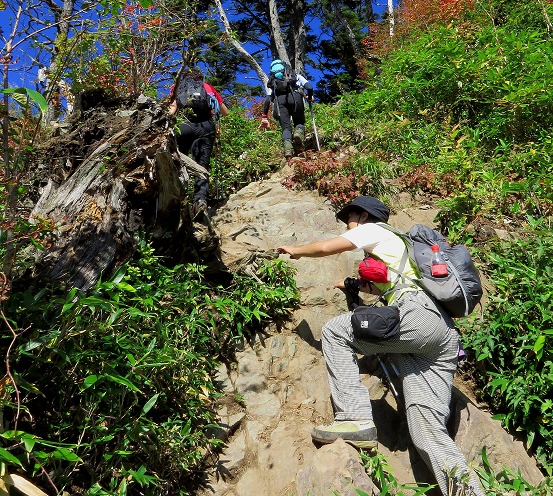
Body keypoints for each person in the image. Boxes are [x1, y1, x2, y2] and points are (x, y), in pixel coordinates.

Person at [277, 196, 485, 496]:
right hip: (440, 334)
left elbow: (325, 248)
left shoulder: (373, 230)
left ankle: (354, 418)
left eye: (349, 218)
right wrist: (350, 285)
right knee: (426, 431)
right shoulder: (400, 246)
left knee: (335, 331)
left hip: (417, 315)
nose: (347, 225)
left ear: (362, 216)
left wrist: (296, 251)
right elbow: (384, 284)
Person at [168, 69, 229, 217]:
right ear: (200, 78)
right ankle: (200, 201)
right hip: (206, 127)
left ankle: (177, 201)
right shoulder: (207, 87)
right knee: (201, 165)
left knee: (177, 162)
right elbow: (225, 111)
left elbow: (172, 108)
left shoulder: (178, 86)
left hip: (184, 125)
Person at [260, 59, 314, 159]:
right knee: (299, 121)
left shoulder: (274, 82)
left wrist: (264, 117)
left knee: (286, 128)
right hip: (295, 97)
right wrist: (310, 97)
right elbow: (309, 88)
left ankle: (288, 150)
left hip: (280, 101)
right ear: (285, 67)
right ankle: (298, 134)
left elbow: (267, 100)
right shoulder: (295, 76)